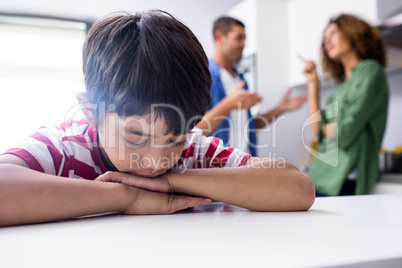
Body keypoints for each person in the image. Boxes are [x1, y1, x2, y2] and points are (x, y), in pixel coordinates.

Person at [0, 10, 315, 227]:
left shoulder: (193, 152)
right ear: (90, 111)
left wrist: (170, 182)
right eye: (135, 136)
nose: (156, 161)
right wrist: (124, 197)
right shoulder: (65, 149)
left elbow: (298, 189)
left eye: (176, 138)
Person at [302, 14, 389, 196]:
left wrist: (329, 129)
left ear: (353, 32)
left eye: (333, 33)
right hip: (318, 175)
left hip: (342, 180)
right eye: (325, 39)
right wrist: (313, 83)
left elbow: (345, 133)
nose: (327, 41)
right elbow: (315, 127)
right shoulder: (342, 88)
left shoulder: (370, 71)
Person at [196, 16, 306, 156]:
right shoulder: (205, 76)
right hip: (219, 169)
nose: (244, 44)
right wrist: (229, 104)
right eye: (239, 38)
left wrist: (280, 108)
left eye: (244, 39)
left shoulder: (241, 80)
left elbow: (251, 125)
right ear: (219, 38)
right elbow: (196, 130)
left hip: (246, 162)